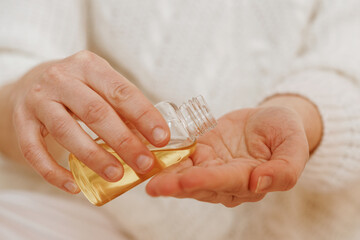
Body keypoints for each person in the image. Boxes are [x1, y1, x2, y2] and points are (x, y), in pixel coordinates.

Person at [0, 0, 359, 239]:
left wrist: (299, 114)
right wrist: (27, 89)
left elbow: (348, 67)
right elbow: (14, 56)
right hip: (94, 221)